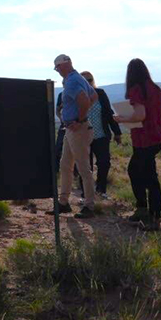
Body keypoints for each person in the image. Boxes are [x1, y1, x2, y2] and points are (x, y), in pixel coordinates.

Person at [114, 58, 161, 231]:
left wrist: (122, 118)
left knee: (145, 176)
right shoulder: (156, 89)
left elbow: (140, 115)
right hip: (157, 138)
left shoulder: (136, 90)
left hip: (144, 140)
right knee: (144, 173)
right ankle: (145, 210)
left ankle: (151, 215)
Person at [51, 55, 96, 217]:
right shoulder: (78, 78)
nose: (57, 72)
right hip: (73, 129)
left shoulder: (71, 81)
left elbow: (84, 100)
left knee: (83, 167)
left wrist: (79, 119)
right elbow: (93, 96)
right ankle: (64, 202)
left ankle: (89, 206)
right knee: (66, 165)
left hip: (77, 129)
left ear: (62, 66)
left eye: (57, 68)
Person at [83, 71, 123, 199]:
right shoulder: (77, 95)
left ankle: (101, 190)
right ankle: (86, 194)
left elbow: (108, 112)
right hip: (83, 137)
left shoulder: (100, 93)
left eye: (89, 80)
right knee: (85, 166)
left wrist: (117, 132)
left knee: (104, 163)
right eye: (84, 81)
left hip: (101, 135)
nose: (87, 83)